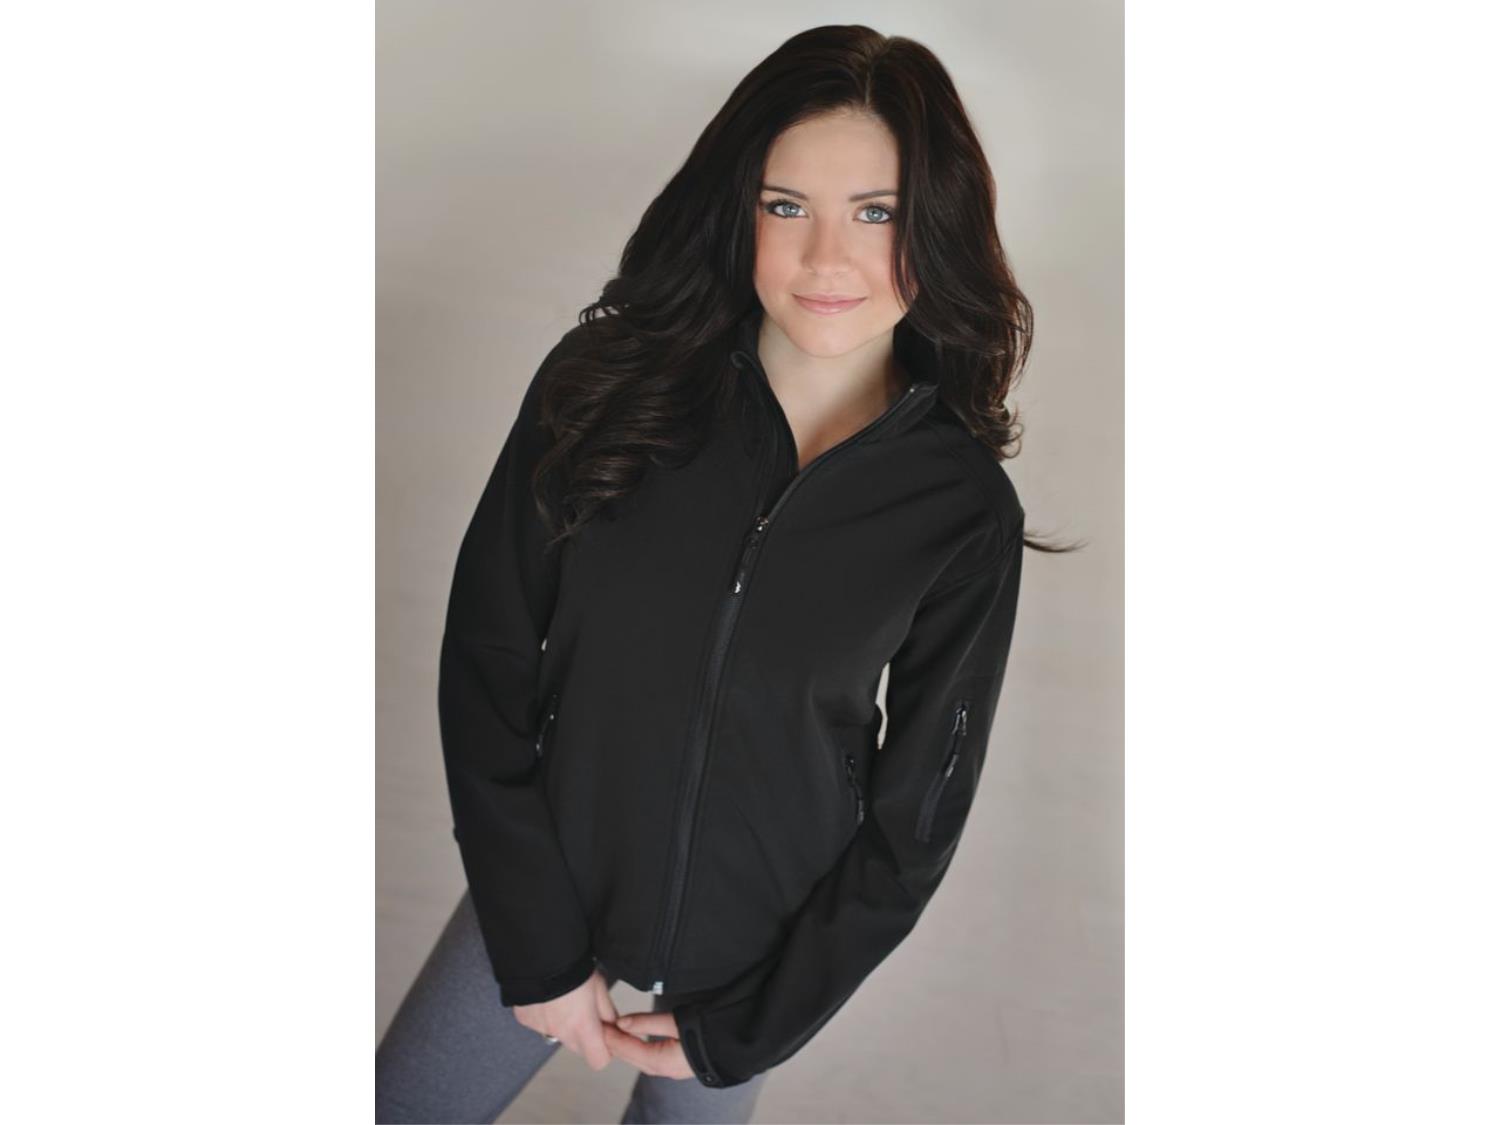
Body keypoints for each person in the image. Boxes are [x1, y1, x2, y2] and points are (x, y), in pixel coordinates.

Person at [377, 22, 1068, 1124]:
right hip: (544, 886)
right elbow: (488, 655)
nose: (827, 258)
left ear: (937, 224)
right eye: (786, 206)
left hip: (751, 961)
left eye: (876, 212)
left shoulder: (960, 510)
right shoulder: (605, 389)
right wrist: (537, 944)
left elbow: (916, 823)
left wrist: (748, 1026)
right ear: (738, 209)